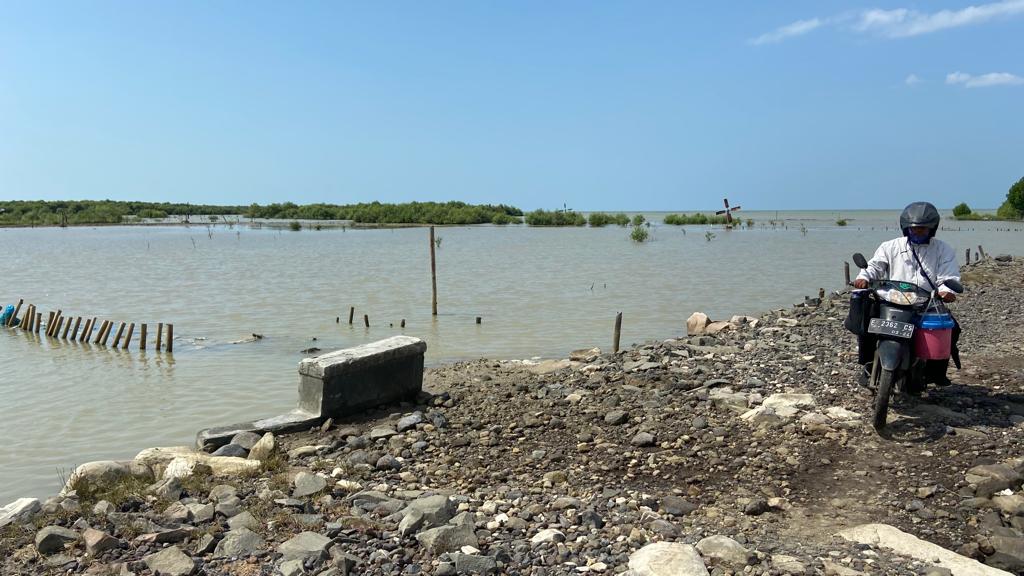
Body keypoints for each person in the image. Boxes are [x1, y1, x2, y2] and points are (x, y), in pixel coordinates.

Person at [853, 201, 961, 387]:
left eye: (922, 229)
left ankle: (936, 371)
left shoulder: (943, 249)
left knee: (951, 328)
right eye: (914, 229)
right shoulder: (890, 246)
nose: (918, 232)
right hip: (891, 298)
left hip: (925, 302)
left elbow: (948, 276)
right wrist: (863, 277)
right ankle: (868, 364)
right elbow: (874, 267)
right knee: (866, 322)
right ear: (906, 228)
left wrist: (946, 291)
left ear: (932, 229)